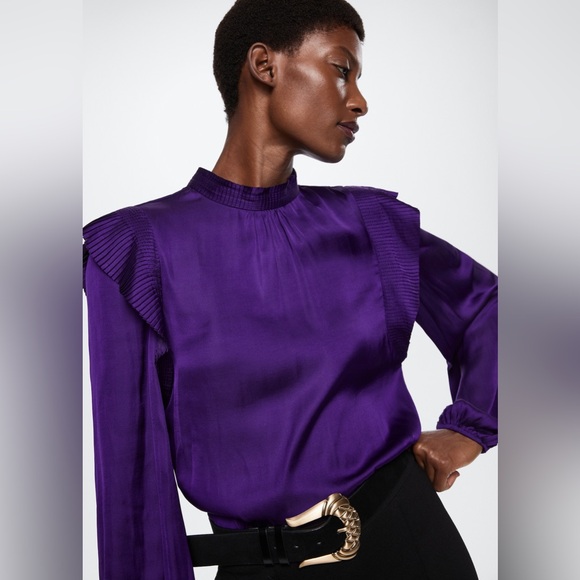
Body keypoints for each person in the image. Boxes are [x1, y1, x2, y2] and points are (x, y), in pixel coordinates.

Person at [83, 0, 497, 578]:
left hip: (411, 542)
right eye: (341, 69)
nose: (359, 101)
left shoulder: (369, 226)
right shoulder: (135, 251)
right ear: (265, 65)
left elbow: (491, 310)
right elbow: (132, 488)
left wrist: (468, 429)